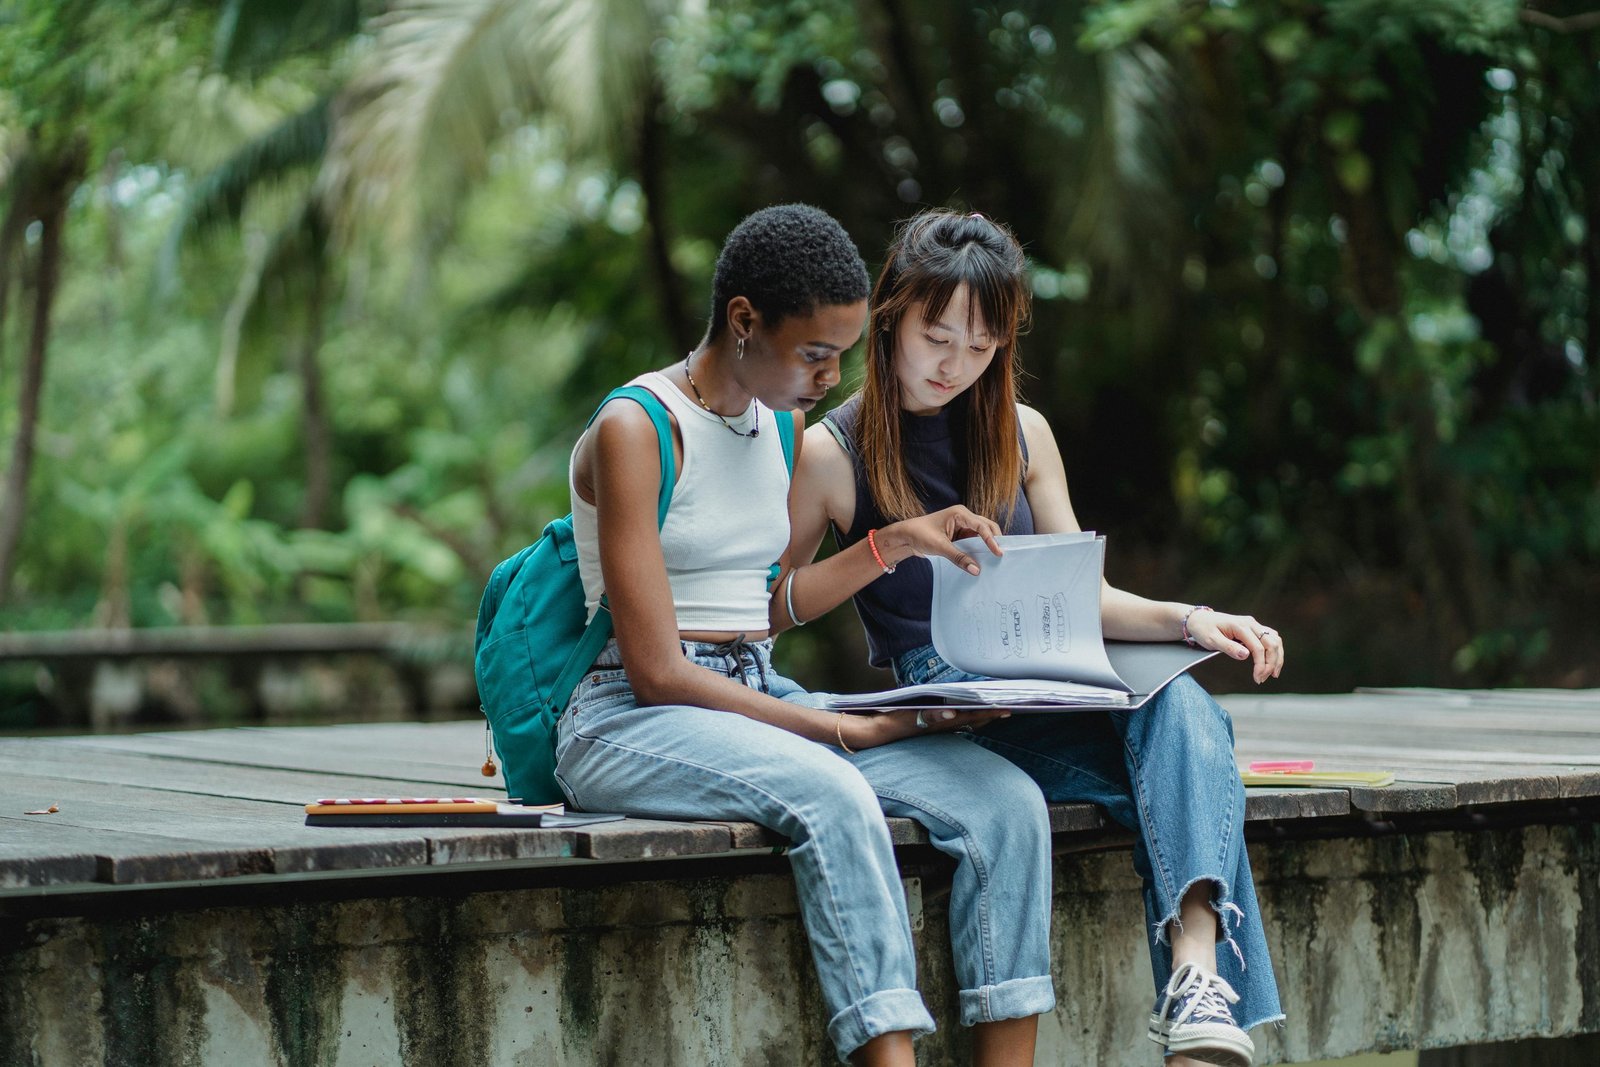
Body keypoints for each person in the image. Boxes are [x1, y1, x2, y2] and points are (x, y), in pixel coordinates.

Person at [554, 204, 1060, 1066]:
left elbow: (769, 605)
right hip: (622, 715)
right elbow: (657, 672)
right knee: (834, 793)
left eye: (843, 352)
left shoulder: (779, 425)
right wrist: (838, 727)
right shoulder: (637, 428)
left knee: (1008, 804)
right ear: (745, 321)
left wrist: (891, 541)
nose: (833, 378)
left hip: (754, 693)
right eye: (815, 353)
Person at [778, 209, 1286, 1067]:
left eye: (979, 347)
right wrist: (887, 543)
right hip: (943, 713)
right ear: (892, 312)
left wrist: (1195, 621)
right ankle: (1204, 1018)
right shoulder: (832, 452)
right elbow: (771, 604)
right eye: (936, 336)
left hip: (1048, 685)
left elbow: (1083, 598)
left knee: (1187, 707)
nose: (953, 365)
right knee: (1193, 780)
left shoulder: (1022, 430)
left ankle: (1196, 975)